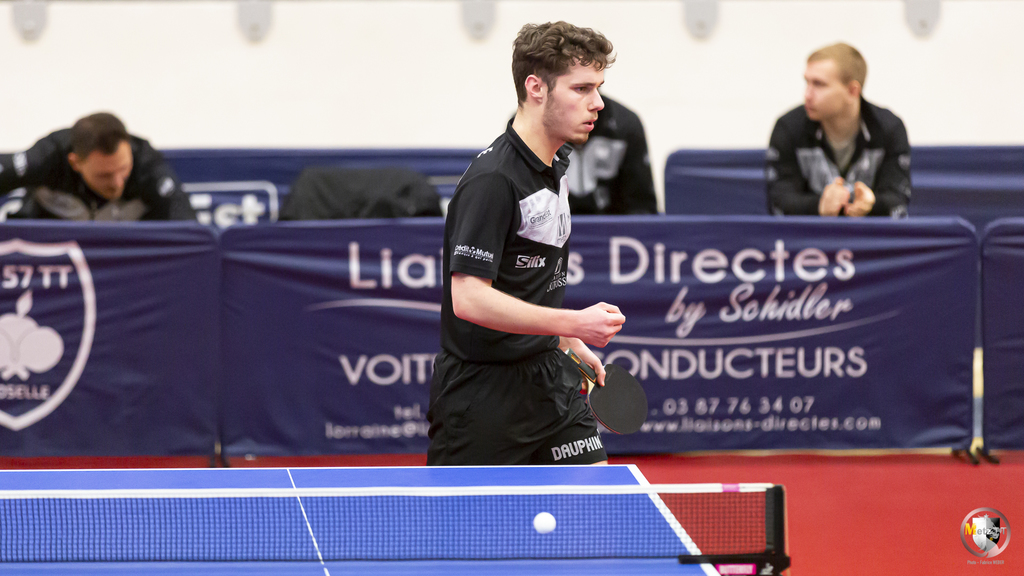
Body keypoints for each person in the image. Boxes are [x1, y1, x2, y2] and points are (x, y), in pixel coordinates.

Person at [426, 22, 626, 466]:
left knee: (597, 496)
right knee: (472, 515)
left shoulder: (556, 165)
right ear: (536, 88)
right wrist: (573, 322)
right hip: (483, 394)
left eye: (598, 88)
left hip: (548, 378)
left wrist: (565, 340)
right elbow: (469, 298)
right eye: (582, 88)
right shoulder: (494, 180)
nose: (598, 103)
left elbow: (524, 280)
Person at [766, 43, 911, 218]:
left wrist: (871, 204)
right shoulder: (788, 128)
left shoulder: (889, 129)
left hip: (869, 234)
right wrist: (818, 206)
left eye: (819, 84)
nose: (807, 95)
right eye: (807, 82)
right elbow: (779, 201)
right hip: (809, 235)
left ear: (852, 91)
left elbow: (898, 199)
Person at [0, 112, 195, 221]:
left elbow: (189, 229)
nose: (118, 183)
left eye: (124, 169)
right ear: (75, 163)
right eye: (105, 175)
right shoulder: (49, 156)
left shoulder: (147, 164)